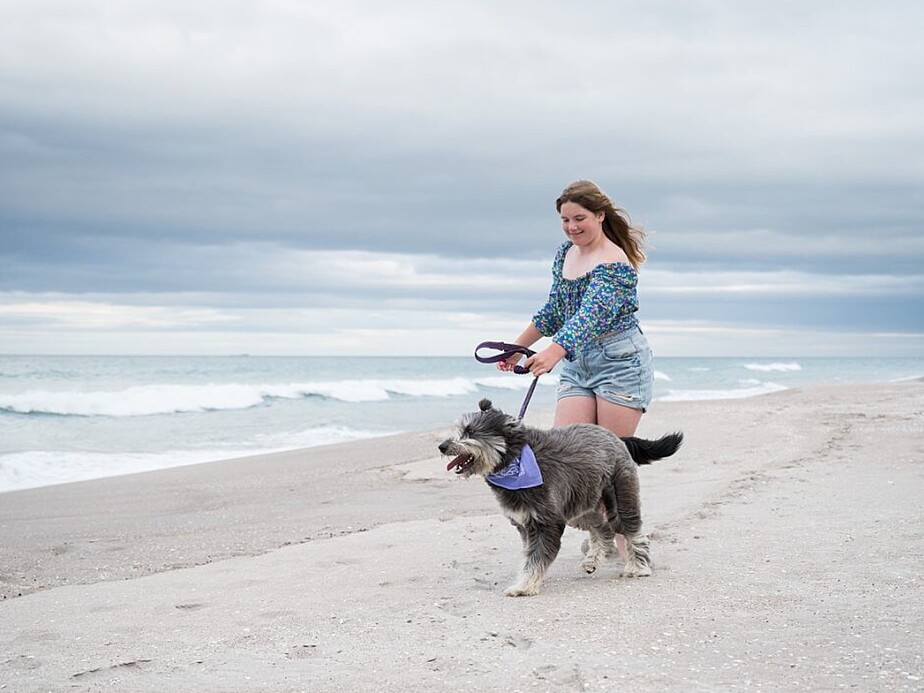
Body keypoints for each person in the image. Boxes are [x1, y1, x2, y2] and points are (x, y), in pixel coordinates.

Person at [498, 179, 654, 438]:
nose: (571, 227)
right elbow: (555, 310)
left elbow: (591, 315)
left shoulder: (614, 261)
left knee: (608, 461)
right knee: (567, 454)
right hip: (577, 363)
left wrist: (553, 352)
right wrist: (516, 349)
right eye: (565, 220)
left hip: (619, 363)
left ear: (600, 215)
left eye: (579, 218)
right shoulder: (565, 253)